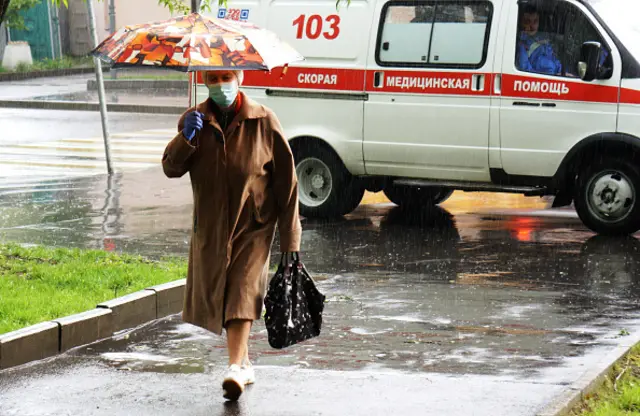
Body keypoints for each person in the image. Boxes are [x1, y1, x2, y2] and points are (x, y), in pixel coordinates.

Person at [162, 69, 302, 401]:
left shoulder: (263, 120)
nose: (221, 85)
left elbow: (287, 182)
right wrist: (186, 138)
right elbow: (170, 167)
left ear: (238, 77)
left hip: (254, 225)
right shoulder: (195, 118)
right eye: (213, 78)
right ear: (204, 81)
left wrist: (290, 239)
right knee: (222, 292)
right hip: (211, 228)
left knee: (241, 289)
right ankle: (245, 361)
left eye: (226, 77)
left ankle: (235, 367)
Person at [516, 5, 563, 75]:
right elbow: (524, 68)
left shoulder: (542, 38)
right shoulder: (521, 44)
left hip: (554, 78)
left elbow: (552, 57)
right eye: (527, 21)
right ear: (521, 23)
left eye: (535, 21)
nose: (532, 26)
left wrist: (562, 72)